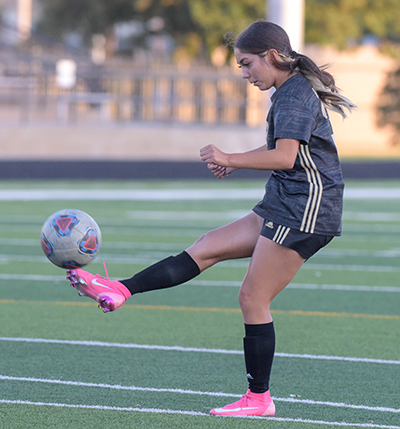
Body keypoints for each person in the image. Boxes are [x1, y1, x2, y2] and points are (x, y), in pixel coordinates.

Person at [66, 20, 356, 418]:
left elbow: (286, 157)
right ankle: (121, 289)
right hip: (286, 200)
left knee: (253, 297)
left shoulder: (291, 95)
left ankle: (259, 400)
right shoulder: (289, 92)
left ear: (272, 56)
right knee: (207, 247)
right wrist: (237, 163)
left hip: (307, 207)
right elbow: (282, 147)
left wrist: (229, 158)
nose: (244, 74)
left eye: (247, 63)